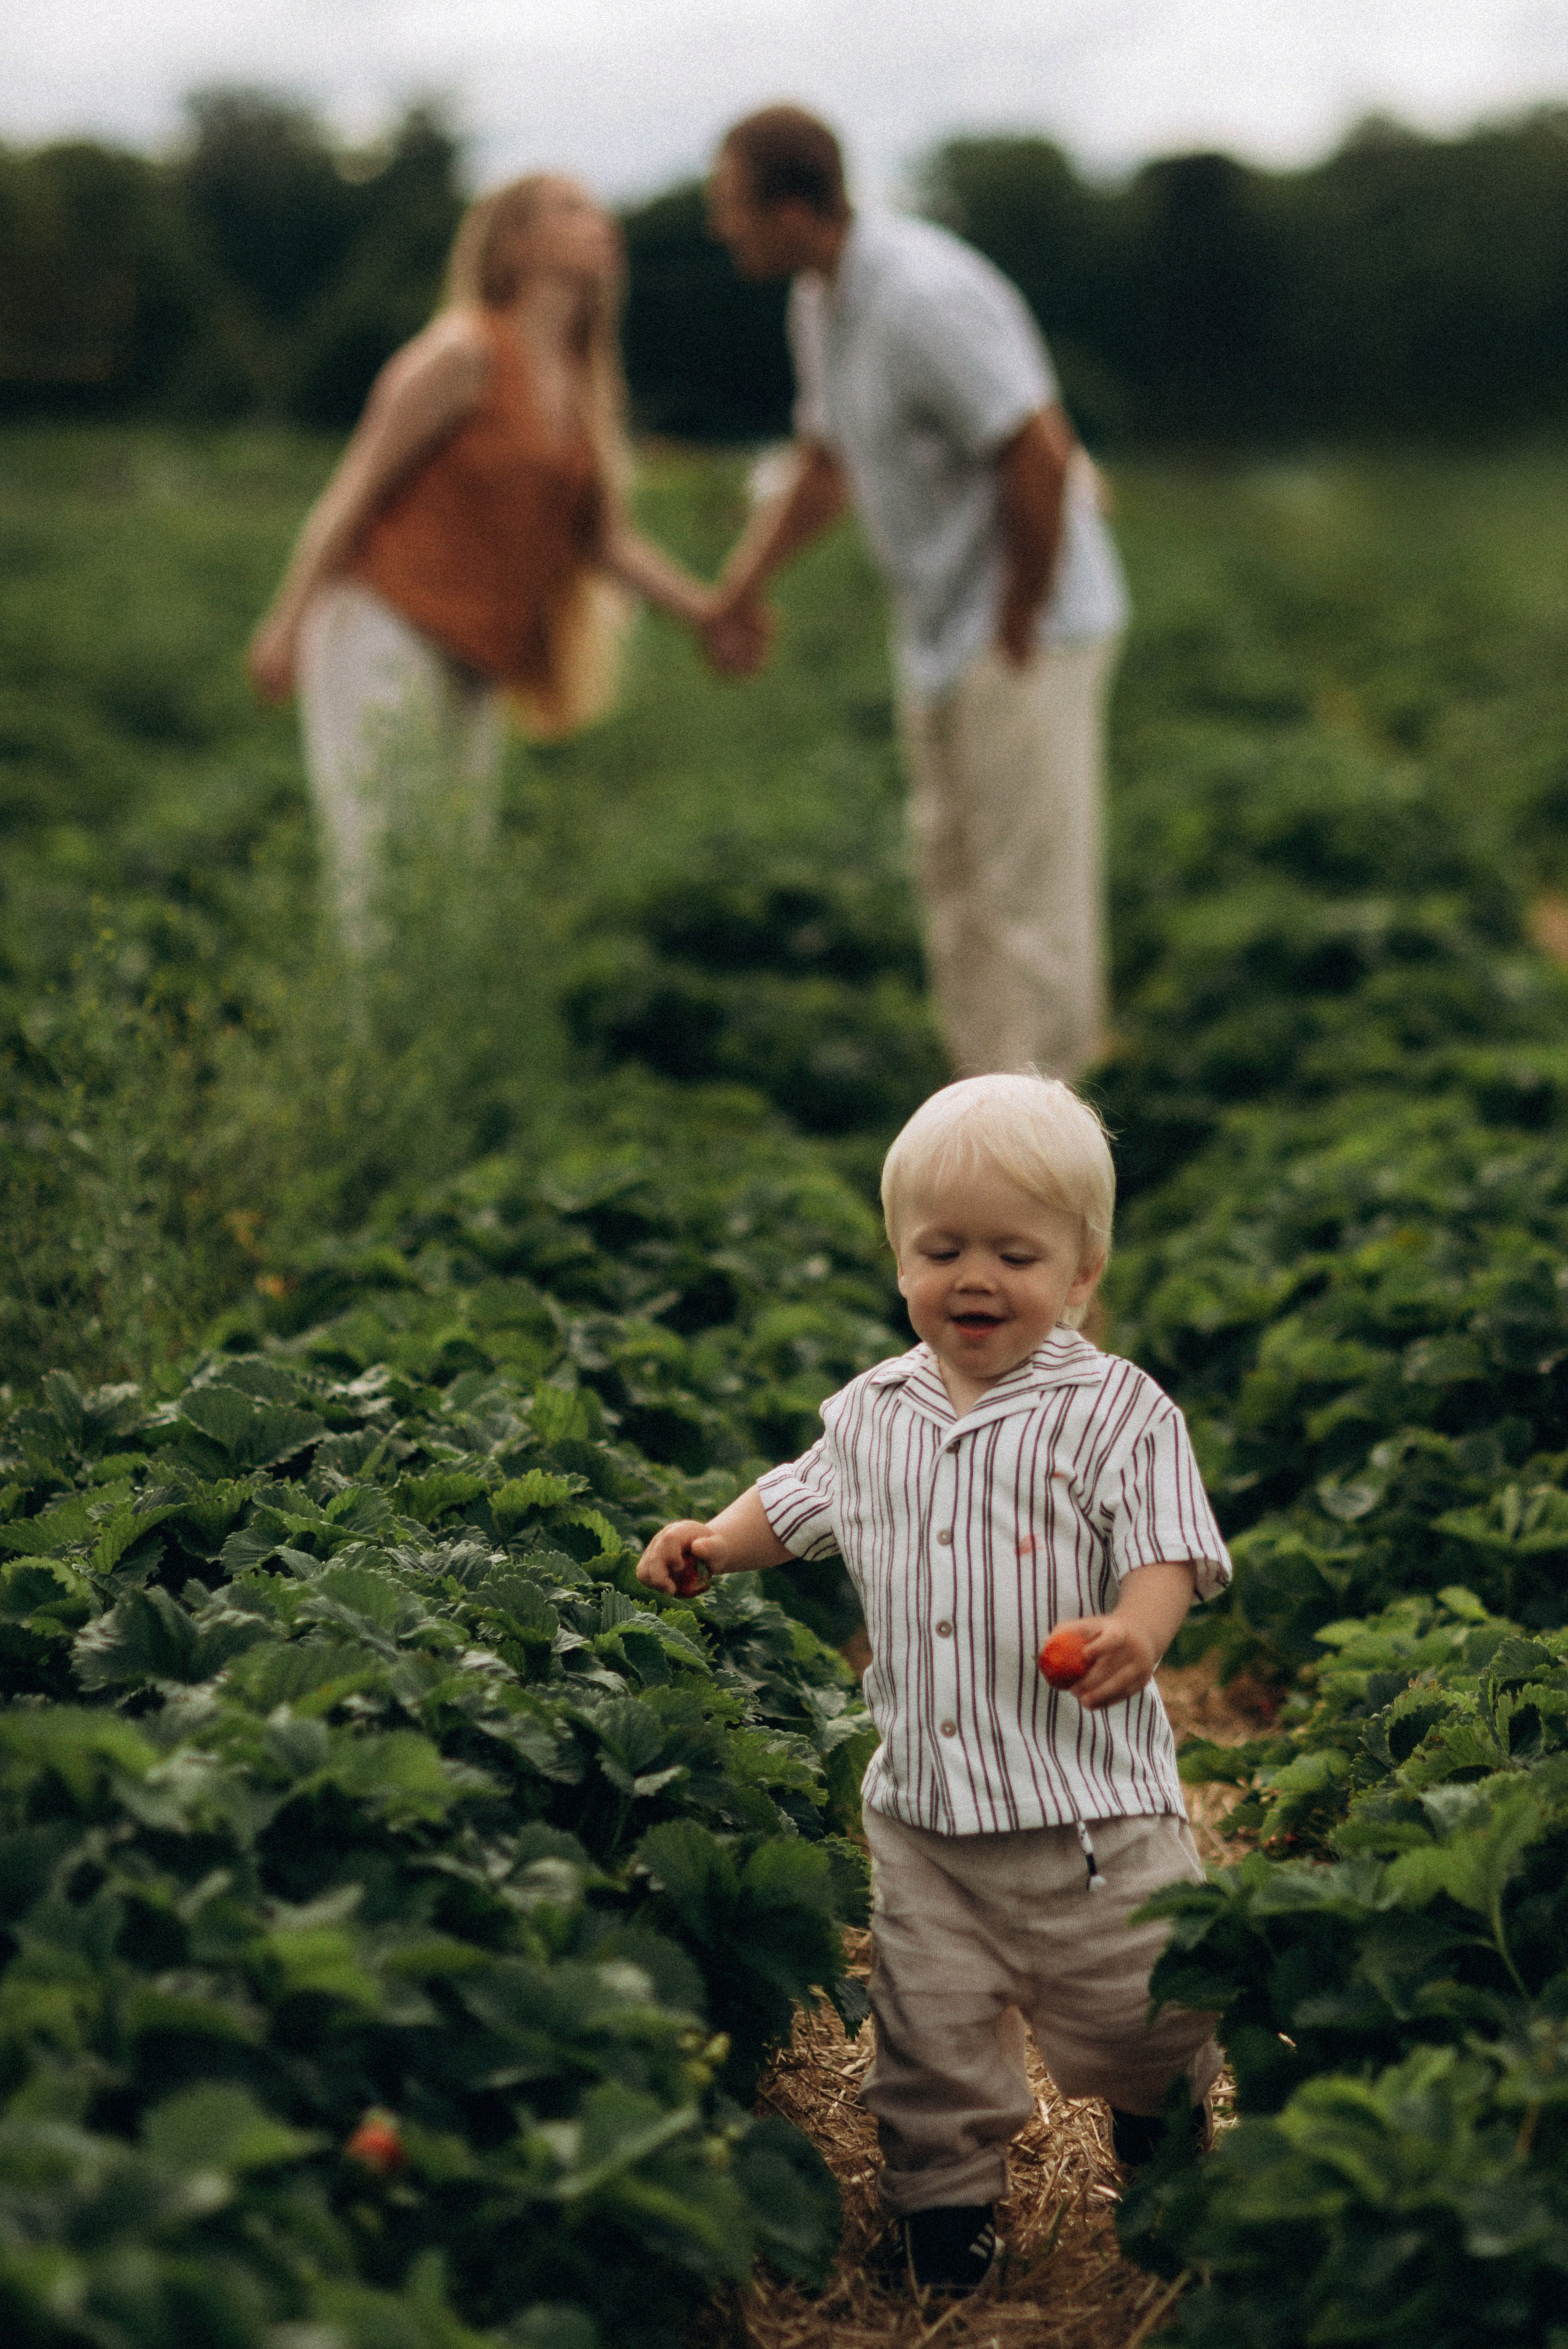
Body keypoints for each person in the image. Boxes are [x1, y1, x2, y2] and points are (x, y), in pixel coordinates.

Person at [637, 1071, 1229, 2296]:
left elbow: (1168, 1549)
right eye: (940, 1248)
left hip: (1087, 1818)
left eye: (1014, 1254)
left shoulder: (1117, 1413)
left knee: (1141, 2013)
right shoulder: (871, 1413)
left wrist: (1136, 1630)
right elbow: (796, 1503)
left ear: (1079, 1274)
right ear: (896, 1259)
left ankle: (1159, 2158)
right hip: (921, 1820)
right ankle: (942, 2228)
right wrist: (711, 1540)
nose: (973, 1278)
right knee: (928, 2043)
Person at [701, 108, 1129, 1082]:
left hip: (1025, 629)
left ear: (797, 207)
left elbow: (1038, 448)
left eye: (733, 207)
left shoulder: (921, 297)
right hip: (940, 633)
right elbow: (824, 466)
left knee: (1032, 900)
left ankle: (1058, 1155)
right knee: (955, 886)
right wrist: (741, 589)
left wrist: (1016, 617)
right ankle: (981, 1130)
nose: (722, 229)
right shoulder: (819, 301)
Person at [249, 174, 757, 949]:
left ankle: (426, 1053)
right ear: (514, 244)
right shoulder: (459, 354)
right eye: (571, 209)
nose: (600, 222)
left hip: (479, 656)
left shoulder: (581, 382)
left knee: (451, 882)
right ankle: (367, 1056)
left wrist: (712, 613)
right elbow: (348, 497)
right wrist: (284, 626)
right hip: (383, 628)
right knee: (379, 878)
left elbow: (604, 541)